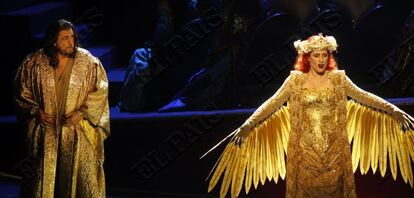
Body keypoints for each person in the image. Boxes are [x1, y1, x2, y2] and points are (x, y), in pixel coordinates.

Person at [205, 34, 414, 198]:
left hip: (334, 156)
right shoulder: (295, 81)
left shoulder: (338, 80)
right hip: (304, 156)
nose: (321, 60)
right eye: (316, 55)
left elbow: (364, 96)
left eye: (325, 55)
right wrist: (249, 123)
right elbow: (273, 102)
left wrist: (392, 109)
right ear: (307, 58)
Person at [14, 19, 110, 197]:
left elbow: (101, 90)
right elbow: (21, 92)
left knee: (81, 182)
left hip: (77, 132)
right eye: (65, 38)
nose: (70, 42)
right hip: (46, 132)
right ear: (53, 40)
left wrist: (81, 113)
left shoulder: (88, 61)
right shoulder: (34, 62)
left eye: (72, 37)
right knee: (44, 181)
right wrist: (36, 111)